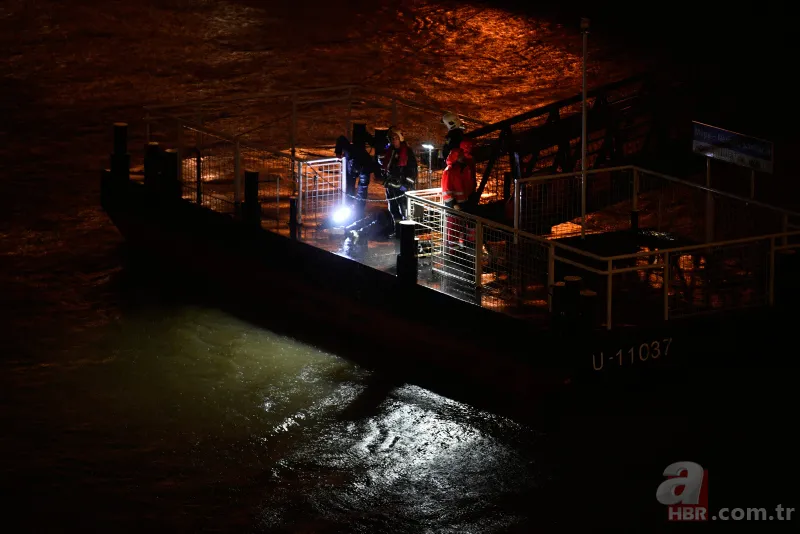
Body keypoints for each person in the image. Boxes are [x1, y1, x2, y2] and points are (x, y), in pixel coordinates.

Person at [334, 135, 380, 221]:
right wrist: (338, 152)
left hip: (363, 168)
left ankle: (359, 213)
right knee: (350, 188)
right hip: (351, 167)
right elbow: (340, 138)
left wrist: (378, 177)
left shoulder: (367, 165)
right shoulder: (349, 150)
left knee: (362, 191)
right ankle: (348, 207)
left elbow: (362, 190)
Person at [382, 129, 418, 231]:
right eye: (392, 138)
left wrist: (406, 185)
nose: (393, 140)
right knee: (393, 209)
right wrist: (386, 179)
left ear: (400, 138)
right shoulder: (390, 152)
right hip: (391, 187)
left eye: (396, 138)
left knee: (405, 209)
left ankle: (407, 233)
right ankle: (397, 230)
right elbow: (386, 168)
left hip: (402, 188)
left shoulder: (407, 152)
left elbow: (412, 171)